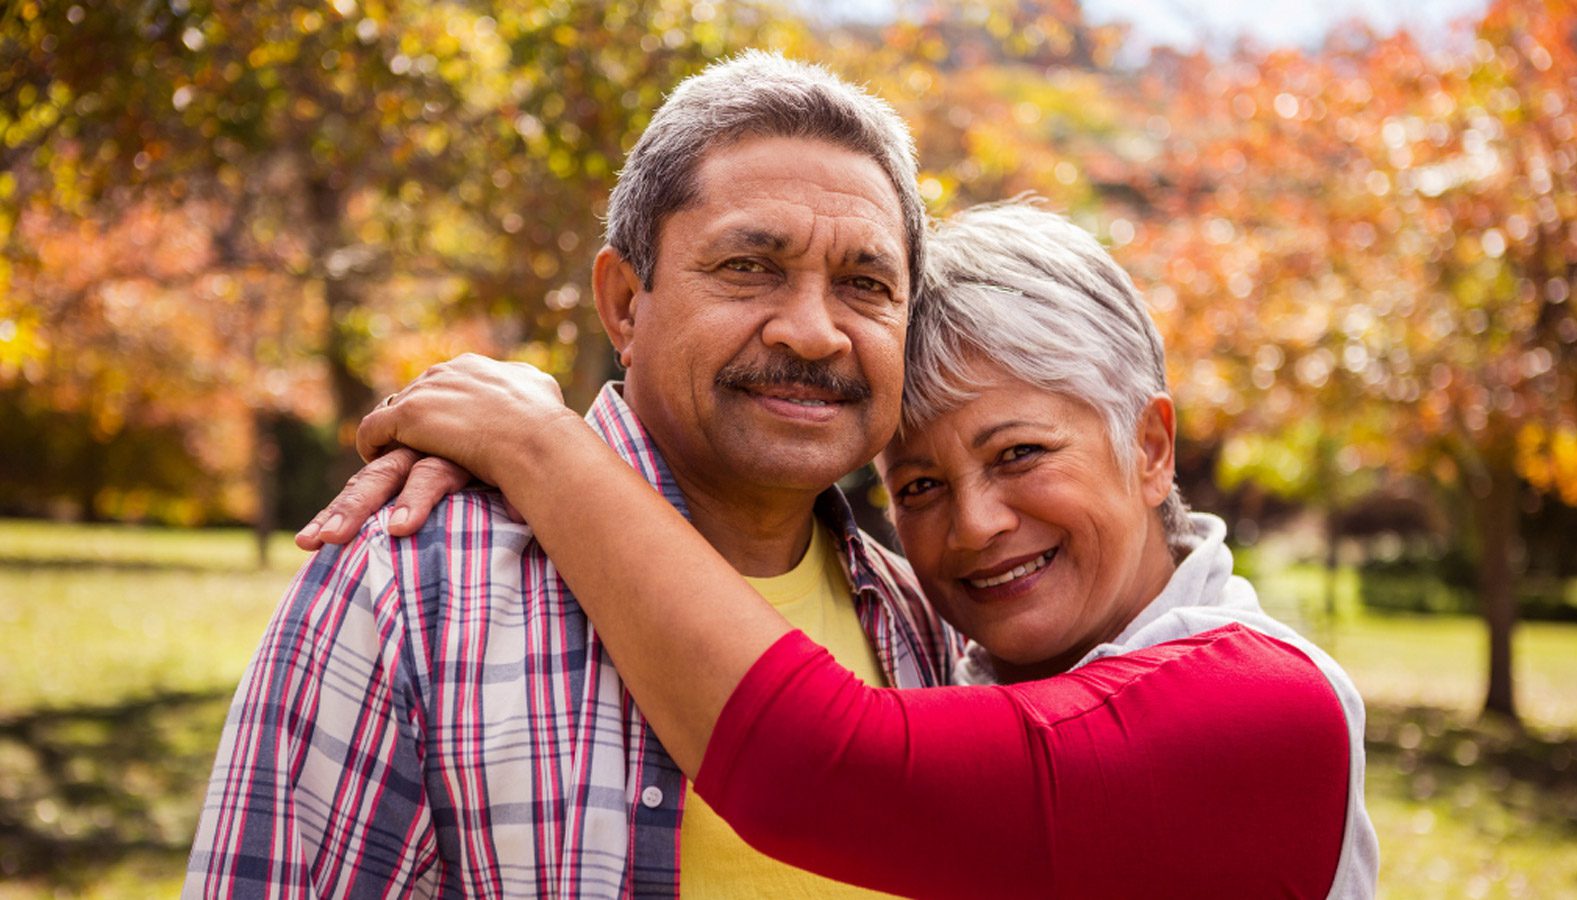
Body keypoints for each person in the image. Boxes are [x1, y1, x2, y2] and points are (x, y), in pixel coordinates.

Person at [328, 202, 1381, 897]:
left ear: (1149, 448)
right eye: (917, 486)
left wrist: (538, 447)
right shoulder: (928, 650)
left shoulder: (1263, 704)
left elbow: (824, 770)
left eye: (1019, 453)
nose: (973, 526)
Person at [186, 51, 960, 898]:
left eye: (865, 283)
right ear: (626, 303)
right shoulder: (414, 586)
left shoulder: (926, 617)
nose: (813, 332)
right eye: (749, 267)